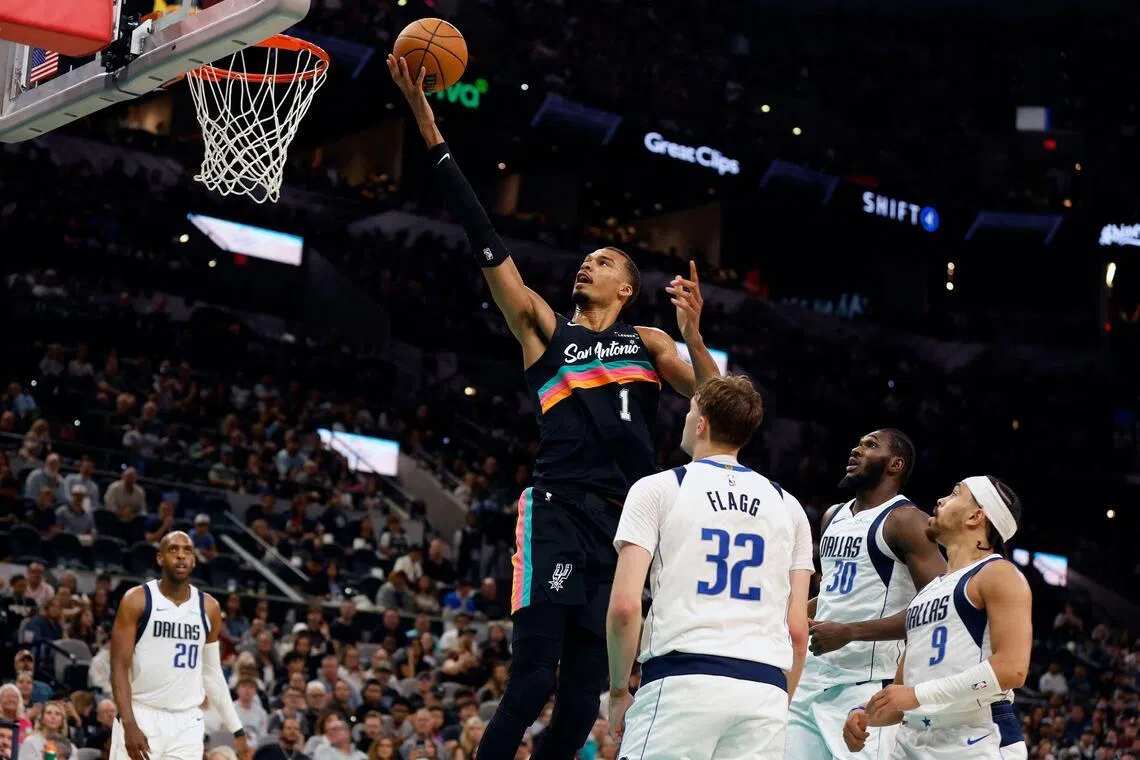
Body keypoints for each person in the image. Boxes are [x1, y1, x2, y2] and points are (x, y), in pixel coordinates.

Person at [388, 56, 722, 760]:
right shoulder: (545, 328)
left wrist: (694, 338)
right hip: (559, 512)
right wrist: (427, 123)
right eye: (586, 261)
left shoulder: (652, 340)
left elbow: (720, 406)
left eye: (603, 262)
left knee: (581, 706)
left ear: (628, 289)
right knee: (534, 681)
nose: (587, 266)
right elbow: (484, 239)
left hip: (626, 526)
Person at [606, 375, 814, 759]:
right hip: (764, 690)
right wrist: (775, 704)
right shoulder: (790, 507)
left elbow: (624, 606)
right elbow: (798, 631)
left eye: (689, 411)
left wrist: (619, 690)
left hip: (683, 682)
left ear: (700, 423)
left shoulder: (658, 489)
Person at [842, 476, 1031, 760]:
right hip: (912, 743)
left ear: (975, 516)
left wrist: (917, 695)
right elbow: (903, 690)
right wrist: (866, 714)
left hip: (976, 743)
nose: (941, 500)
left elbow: (1011, 670)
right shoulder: (927, 592)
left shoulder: (998, 574)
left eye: (955, 493)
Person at [785, 429, 946, 760]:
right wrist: (795, 612)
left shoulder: (906, 520)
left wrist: (851, 631)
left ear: (895, 464)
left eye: (871, 446)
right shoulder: (833, 516)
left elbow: (940, 609)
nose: (857, 450)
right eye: (858, 443)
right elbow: (835, 592)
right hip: (812, 679)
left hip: (866, 688)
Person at [109, 531, 251, 760]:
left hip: (187, 723)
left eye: (187, 551)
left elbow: (213, 674)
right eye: (173, 550)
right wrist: (129, 723)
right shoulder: (137, 600)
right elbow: (118, 667)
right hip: (143, 713)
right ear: (160, 558)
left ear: (194, 560)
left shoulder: (209, 608)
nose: (181, 556)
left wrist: (237, 729)